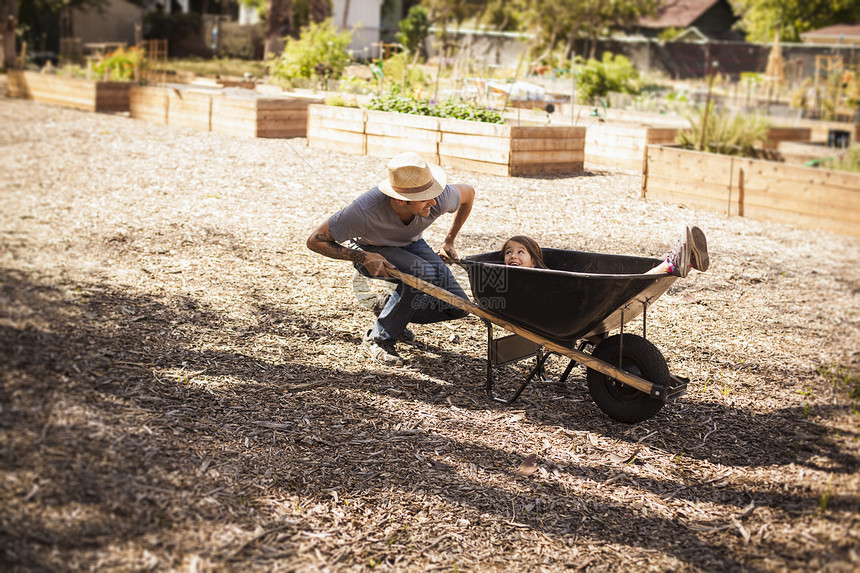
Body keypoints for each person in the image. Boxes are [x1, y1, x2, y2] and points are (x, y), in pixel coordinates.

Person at [307, 152, 475, 367]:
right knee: (422, 272)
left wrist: (449, 240)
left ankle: (389, 307)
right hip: (370, 249)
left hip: (413, 244)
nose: (433, 201)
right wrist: (363, 256)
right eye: (425, 198)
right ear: (400, 200)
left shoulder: (440, 197)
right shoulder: (364, 211)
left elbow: (468, 194)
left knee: (458, 307)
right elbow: (314, 241)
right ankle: (379, 339)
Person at [501, 225, 709, 277]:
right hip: (577, 308)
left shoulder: (536, 275)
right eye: (508, 252)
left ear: (534, 262)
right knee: (632, 284)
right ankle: (681, 262)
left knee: (630, 283)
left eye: (521, 252)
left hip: (578, 305)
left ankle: (677, 262)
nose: (513, 256)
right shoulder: (518, 279)